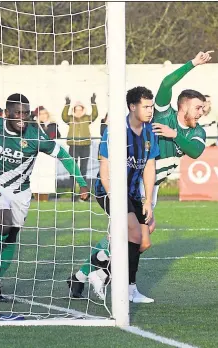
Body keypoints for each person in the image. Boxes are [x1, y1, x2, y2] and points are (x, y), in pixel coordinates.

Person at [0, 93, 89, 302]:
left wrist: (81, 182)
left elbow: (63, 155)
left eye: (26, 113)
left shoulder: (35, 134)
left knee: (10, 238)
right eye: (18, 113)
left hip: (21, 191)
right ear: (7, 113)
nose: (22, 117)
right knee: (3, 224)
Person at [68, 87, 159, 303]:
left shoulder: (149, 132)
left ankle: (86, 275)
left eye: (152, 106)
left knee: (144, 241)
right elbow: (104, 168)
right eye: (146, 106)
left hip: (132, 193)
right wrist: (114, 199)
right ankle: (129, 290)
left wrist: (147, 199)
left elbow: (149, 166)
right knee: (134, 234)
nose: (150, 110)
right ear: (132, 107)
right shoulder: (116, 130)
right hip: (109, 190)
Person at [139, 51, 210, 243]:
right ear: (183, 107)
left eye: (203, 108)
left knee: (142, 233)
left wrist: (175, 135)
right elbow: (166, 84)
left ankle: (95, 271)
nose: (201, 112)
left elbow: (195, 152)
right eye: (198, 108)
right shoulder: (164, 114)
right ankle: (106, 271)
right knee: (138, 236)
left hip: (152, 185)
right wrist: (193, 63)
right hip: (137, 179)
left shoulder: (198, 132)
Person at [62, 94, 99, 200]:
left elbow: (95, 115)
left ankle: (84, 195)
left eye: (80, 109)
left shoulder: (87, 118)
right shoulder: (70, 118)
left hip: (85, 146)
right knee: (72, 170)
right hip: (73, 146)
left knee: (83, 170)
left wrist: (93, 103)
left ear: (83, 109)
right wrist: (67, 104)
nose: (78, 111)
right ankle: (73, 194)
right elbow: (64, 117)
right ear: (74, 110)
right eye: (76, 109)